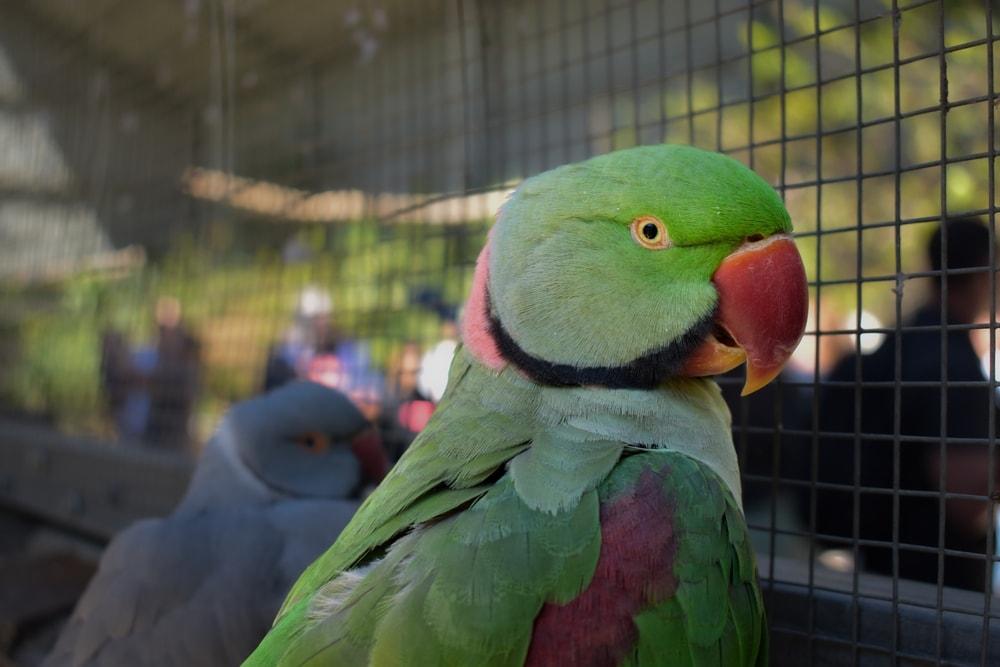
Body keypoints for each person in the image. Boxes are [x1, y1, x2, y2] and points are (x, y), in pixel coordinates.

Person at [815, 218, 1000, 591]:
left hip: (876, 571)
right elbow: (968, 503)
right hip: (937, 584)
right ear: (984, 270)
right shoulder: (953, 364)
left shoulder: (896, 348)